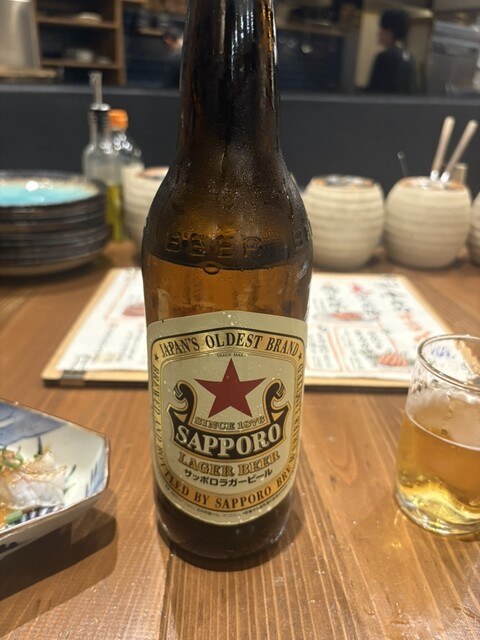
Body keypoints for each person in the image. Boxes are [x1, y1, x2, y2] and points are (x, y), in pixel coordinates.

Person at [366, 9, 416, 94]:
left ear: (389, 32)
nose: (378, 33)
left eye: (381, 29)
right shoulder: (409, 57)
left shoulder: (385, 57)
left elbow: (374, 90)